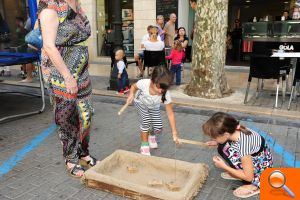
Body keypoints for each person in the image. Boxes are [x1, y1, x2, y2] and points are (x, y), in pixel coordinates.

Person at [38, 0, 99, 178]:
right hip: (60, 71)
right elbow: (49, 46)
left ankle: (83, 153)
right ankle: (71, 157)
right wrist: (67, 76)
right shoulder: (51, 9)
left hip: (81, 70)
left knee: (86, 114)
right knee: (68, 118)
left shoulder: (78, 6)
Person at [203, 112, 273, 198]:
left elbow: (248, 176)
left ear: (226, 135)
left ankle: (253, 185)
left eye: (214, 137)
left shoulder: (243, 146)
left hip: (262, 167)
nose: (213, 138)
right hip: (257, 157)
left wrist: (224, 166)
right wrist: (217, 142)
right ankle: (238, 173)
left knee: (245, 175)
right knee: (222, 147)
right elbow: (229, 142)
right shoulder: (235, 131)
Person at [126, 67, 179, 156]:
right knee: (146, 121)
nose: (160, 91)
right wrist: (131, 94)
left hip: (153, 106)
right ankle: (144, 146)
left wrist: (174, 132)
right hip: (140, 103)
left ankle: (151, 134)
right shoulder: (144, 83)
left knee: (158, 127)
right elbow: (134, 86)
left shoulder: (166, 94)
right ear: (152, 81)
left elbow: (170, 114)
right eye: (158, 87)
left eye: (163, 89)